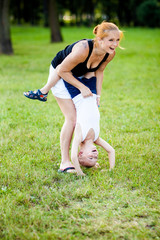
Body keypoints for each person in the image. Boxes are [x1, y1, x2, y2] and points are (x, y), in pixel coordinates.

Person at [24, 21, 123, 172]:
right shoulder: (83, 49)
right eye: (111, 40)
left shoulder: (109, 54)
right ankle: (65, 162)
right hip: (62, 73)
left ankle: (83, 156)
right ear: (99, 39)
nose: (115, 44)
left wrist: (98, 95)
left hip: (79, 74)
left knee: (81, 120)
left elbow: (100, 72)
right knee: (72, 119)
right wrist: (82, 87)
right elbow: (62, 70)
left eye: (117, 40)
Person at [57, 75, 115, 176]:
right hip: (92, 92)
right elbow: (111, 151)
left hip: (77, 93)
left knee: (66, 71)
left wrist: (80, 173)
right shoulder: (96, 138)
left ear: (81, 153)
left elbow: (73, 157)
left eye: (91, 157)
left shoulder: (80, 136)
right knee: (90, 66)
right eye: (96, 158)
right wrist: (111, 169)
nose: (95, 155)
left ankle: (45, 89)